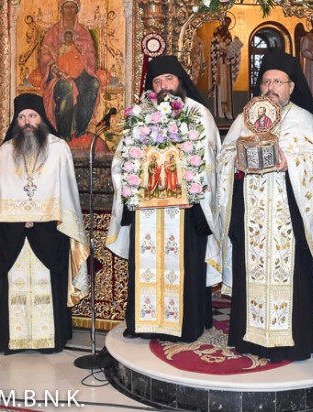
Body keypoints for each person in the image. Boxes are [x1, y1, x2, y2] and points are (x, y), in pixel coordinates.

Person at [218, 51, 313, 362]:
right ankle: (250, 340)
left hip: (290, 220)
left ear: (291, 87)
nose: (271, 87)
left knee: (294, 276)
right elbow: (224, 157)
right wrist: (235, 164)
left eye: (278, 82)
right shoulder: (244, 119)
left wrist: (289, 162)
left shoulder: (304, 120)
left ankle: (292, 343)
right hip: (251, 220)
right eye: (266, 81)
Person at [107, 55, 222, 342]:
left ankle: (186, 325)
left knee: (185, 267)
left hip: (186, 211)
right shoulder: (140, 115)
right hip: (147, 211)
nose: (164, 86)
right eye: (157, 82)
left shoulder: (198, 113)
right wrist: (132, 190)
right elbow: (122, 160)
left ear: (180, 81)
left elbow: (209, 161)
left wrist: (193, 193)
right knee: (145, 265)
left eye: (169, 79)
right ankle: (142, 324)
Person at [0, 93, 89, 354]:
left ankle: (51, 339)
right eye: (21, 117)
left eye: (32, 115)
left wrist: (37, 216)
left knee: (50, 282)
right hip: (12, 230)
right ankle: (13, 340)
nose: (27, 121)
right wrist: (20, 217)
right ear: (16, 121)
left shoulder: (59, 148)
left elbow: (65, 192)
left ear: (42, 118)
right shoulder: (6, 151)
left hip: (50, 229)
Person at [40, 0, 100, 141]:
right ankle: (63, 133)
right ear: (61, 9)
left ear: (77, 10)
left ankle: (81, 128)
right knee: (66, 87)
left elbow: (91, 55)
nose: (69, 10)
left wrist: (81, 53)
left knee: (93, 83)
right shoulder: (53, 32)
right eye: (66, 7)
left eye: (72, 7)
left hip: (80, 72)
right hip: (58, 74)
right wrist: (55, 68)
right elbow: (45, 54)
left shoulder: (83, 32)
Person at [210, 16, 241, 120]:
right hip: (219, 64)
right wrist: (222, 47)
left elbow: (230, 48)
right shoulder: (217, 31)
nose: (227, 24)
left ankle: (228, 112)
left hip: (227, 65)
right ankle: (219, 112)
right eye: (226, 22)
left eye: (229, 23)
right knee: (219, 87)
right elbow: (214, 45)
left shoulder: (228, 34)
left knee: (227, 89)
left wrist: (235, 44)